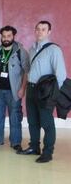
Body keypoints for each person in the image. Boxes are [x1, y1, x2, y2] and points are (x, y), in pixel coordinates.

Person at [17, 21, 67, 163]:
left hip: (45, 92)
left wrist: (53, 95)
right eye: (37, 29)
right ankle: (34, 147)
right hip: (31, 89)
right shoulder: (32, 49)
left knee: (47, 122)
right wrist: (24, 88)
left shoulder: (54, 50)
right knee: (33, 121)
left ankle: (48, 152)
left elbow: (61, 75)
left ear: (49, 32)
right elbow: (28, 71)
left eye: (43, 29)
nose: (40, 32)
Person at [0, 26, 29, 151]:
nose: (6, 39)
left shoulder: (20, 51)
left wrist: (22, 89)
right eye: (4, 36)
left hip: (14, 91)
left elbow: (26, 72)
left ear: (13, 36)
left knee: (15, 116)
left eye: (8, 36)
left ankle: (15, 142)